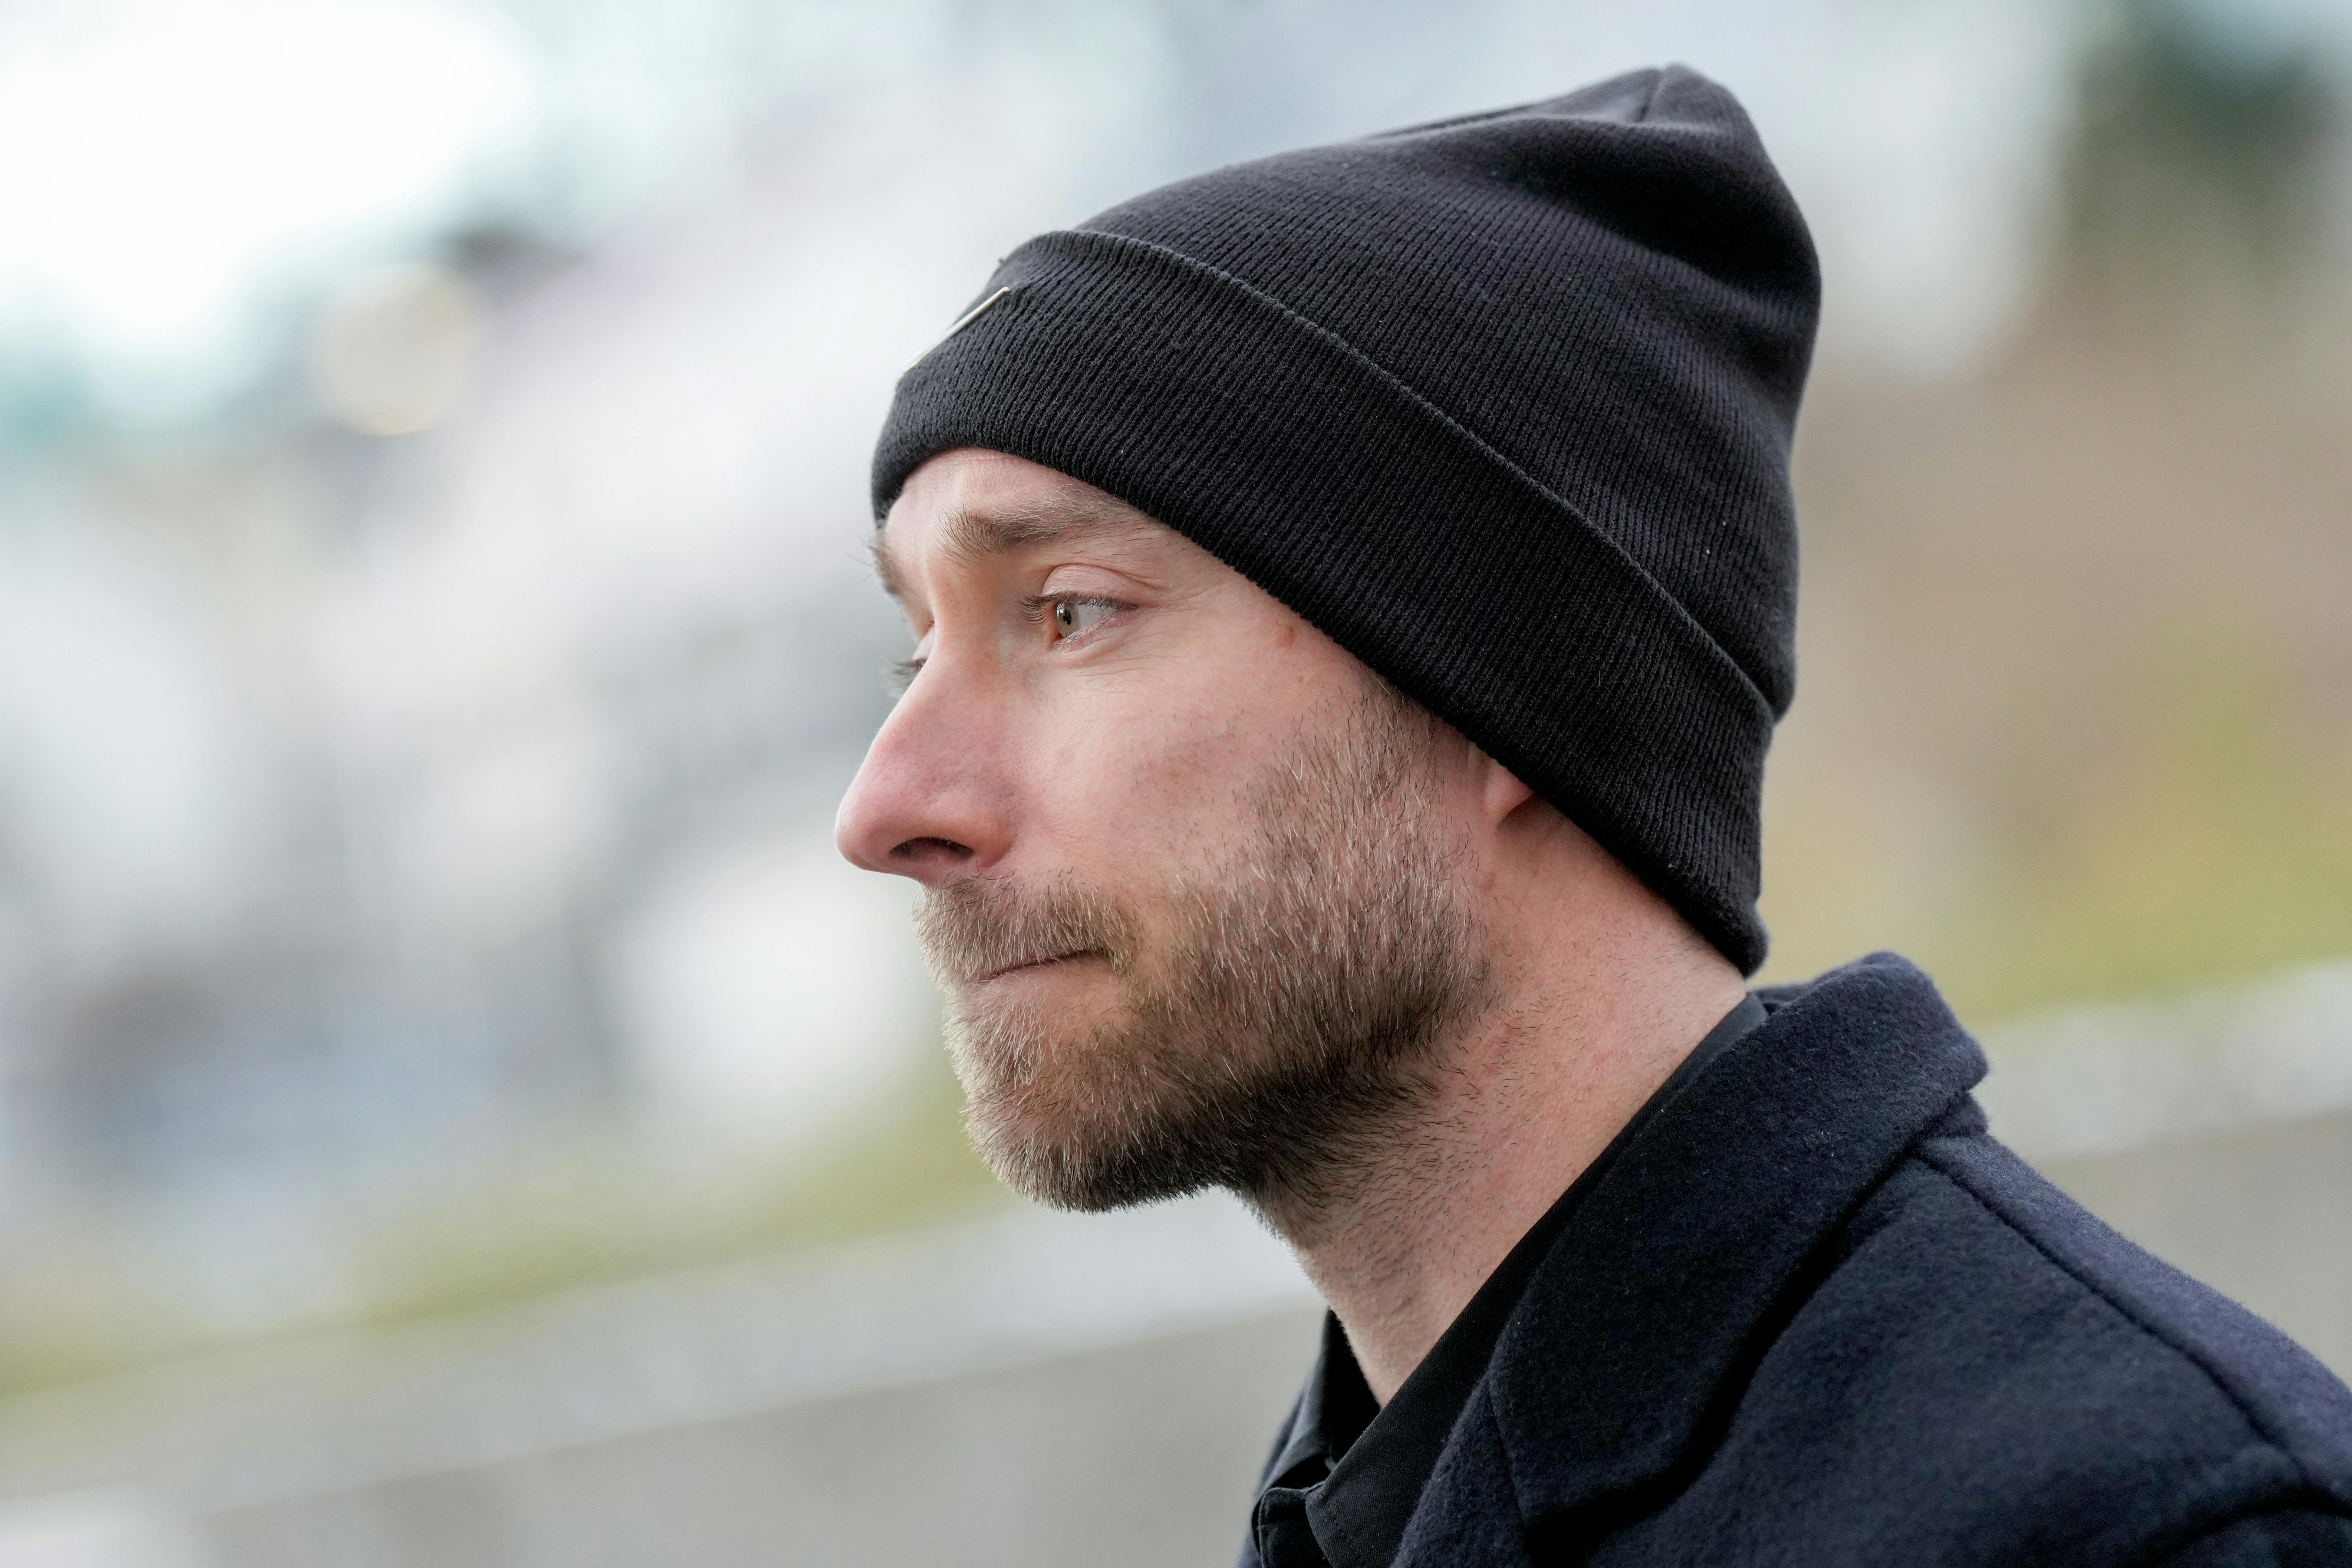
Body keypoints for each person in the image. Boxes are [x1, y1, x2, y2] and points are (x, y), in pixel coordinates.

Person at [834, 65, 2352, 1568]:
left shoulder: (2137, 1525)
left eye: (1070, 612)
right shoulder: (1370, 1502)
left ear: (1501, 682)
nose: (886, 806)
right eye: (920, 648)